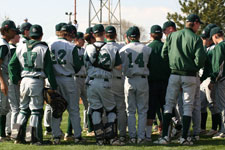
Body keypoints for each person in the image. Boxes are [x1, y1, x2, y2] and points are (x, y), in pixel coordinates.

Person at [154, 14, 206, 145]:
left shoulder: (172, 36)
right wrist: (192, 66)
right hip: (189, 75)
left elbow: (163, 54)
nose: (199, 26)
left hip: (174, 74)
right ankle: (184, 138)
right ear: (194, 23)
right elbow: (200, 60)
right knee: (188, 106)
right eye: (198, 24)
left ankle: (165, 137)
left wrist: (173, 62)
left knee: (169, 104)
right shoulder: (196, 38)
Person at [9, 24, 58, 145]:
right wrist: (54, 86)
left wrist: (15, 79)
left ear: (30, 35)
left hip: (24, 80)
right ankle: (34, 138)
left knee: (23, 109)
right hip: (36, 80)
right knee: (36, 110)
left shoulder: (21, 46)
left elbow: (11, 64)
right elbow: (49, 70)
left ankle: (17, 136)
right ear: (41, 35)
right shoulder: (43, 48)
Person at [84, 24, 122, 145]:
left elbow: (84, 65)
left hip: (91, 81)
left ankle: (99, 138)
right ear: (104, 33)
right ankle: (111, 137)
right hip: (105, 81)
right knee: (111, 109)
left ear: (93, 34)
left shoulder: (88, 48)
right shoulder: (112, 48)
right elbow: (119, 66)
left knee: (95, 109)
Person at [49, 25, 83, 144]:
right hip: (68, 78)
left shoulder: (50, 44)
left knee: (56, 108)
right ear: (67, 34)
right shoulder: (71, 46)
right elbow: (77, 66)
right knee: (73, 109)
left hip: (54, 79)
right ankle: (78, 136)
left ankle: (56, 136)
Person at [120, 26, 152, 144]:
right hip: (143, 79)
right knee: (143, 110)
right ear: (139, 36)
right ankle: (141, 137)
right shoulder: (147, 49)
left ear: (128, 37)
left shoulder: (123, 49)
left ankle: (132, 137)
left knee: (130, 111)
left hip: (129, 80)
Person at [146, 25, 170, 141]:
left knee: (150, 109)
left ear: (151, 35)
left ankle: (148, 134)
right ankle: (166, 133)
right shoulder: (167, 47)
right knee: (165, 108)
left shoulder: (148, 48)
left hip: (151, 83)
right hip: (166, 83)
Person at [105, 25, 127, 144]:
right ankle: (122, 134)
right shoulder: (121, 47)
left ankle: (108, 133)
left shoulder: (102, 48)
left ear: (105, 35)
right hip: (119, 79)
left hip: (106, 80)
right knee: (121, 109)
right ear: (116, 35)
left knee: (106, 109)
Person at [200, 24, 221, 136]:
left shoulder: (214, 48)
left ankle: (215, 127)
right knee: (202, 104)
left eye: (205, 38)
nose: (204, 40)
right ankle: (202, 127)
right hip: (203, 78)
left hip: (210, 77)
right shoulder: (208, 48)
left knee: (212, 104)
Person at [0, 20, 17, 141]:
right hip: (2, 77)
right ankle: (1, 134)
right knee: (2, 107)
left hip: (4, 76)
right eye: (12, 30)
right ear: (5, 30)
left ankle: (3, 134)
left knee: (4, 107)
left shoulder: (4, 43)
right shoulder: (4, 45)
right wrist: (2, 82)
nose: (14, 33)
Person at [208, 27, 225, 139]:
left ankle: (223, 131)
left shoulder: (220, 46)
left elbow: (219, 66)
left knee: (222, 106)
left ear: (215, 36)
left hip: (222, 80)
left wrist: (213, 80)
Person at [7, 28, 21, 136]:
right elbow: (11, 66)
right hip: (11, 80)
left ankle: (8, 130)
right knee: (16, 108)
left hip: (8, 79)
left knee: (10, 108)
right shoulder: (11, 48)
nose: (19, 37)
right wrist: (16, 79)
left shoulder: (10, 47)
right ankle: (14, 133)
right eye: (17, 35)